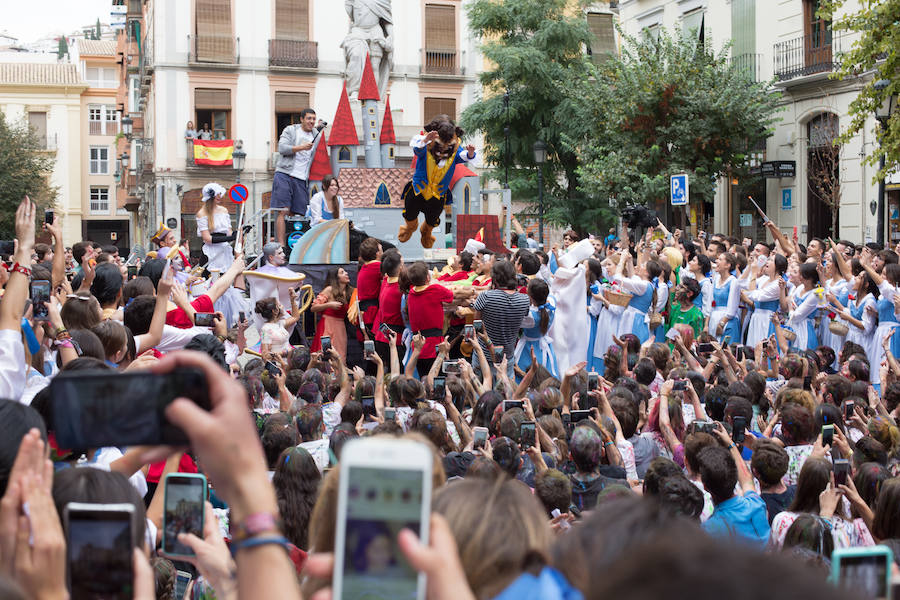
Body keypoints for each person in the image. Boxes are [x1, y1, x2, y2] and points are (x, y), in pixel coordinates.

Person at [698, 423, 770, 548]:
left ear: (705, 486)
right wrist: (730, 444)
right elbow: (746, 479)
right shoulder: (755, 504)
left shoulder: (709, 530)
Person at [273, 108, 324, 247]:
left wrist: (319, 126)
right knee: (283, 211)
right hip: (285, 174)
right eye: (308, 118)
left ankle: (296, 246)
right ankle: (282, 247)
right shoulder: (291, 130)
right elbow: (282, 148)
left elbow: (319, 129)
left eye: (313, 119)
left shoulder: (316, 134)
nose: (311, 121)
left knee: (299, 213)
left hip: (302, 178)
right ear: (301, 119)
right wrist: (301, 147)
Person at [514, 278, 559, 379]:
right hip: (545, 347)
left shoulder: (531, 317)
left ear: (529, 295)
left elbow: (514, 320)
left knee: (526, 378)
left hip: (528, 349)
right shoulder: (551, 303)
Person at [311, 266, 352, 361]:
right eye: (342, 272)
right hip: (328, 325)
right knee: (326, 353)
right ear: (336, 277)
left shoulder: (350, 292)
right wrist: (329, 304)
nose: (346, 273)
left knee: (340, 355)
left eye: (345, 271)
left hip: (340, 327)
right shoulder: (329, 289)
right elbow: (314, 308)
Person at [196, 182, 235, 272]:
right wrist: (228, 238)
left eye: (220, 194)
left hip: (225, 250)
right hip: (210, 252)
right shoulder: (202, 213)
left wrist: (240, 232)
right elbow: (207, 238)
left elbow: (229, 232)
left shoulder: (224, 210)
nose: (219, 196)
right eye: (217, 194)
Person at [256, 290, 302, 357]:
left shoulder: (280, 323)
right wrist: (285, 352)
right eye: (280, 305)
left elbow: (295, 317)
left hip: (287, 361)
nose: (283, 306)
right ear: (275, 311)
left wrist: (292, 300)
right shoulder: (266, 329)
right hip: (279, 363)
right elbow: (265, 355)